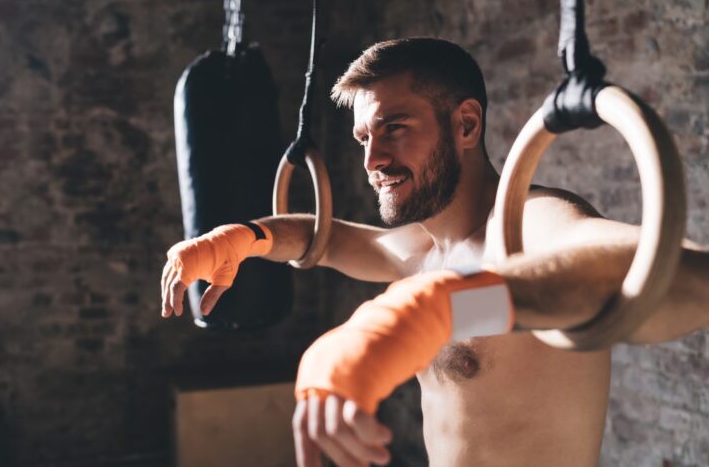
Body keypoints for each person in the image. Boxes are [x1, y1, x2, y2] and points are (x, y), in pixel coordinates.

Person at [160, 38, 709, 467]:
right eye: (362, 139)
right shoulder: (422, 248)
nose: (373, 159)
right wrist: (237, 239)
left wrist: (442, 306)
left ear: (465, 124)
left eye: (394, 128)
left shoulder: (529, 224)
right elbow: (323, 237)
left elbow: (678, 280)